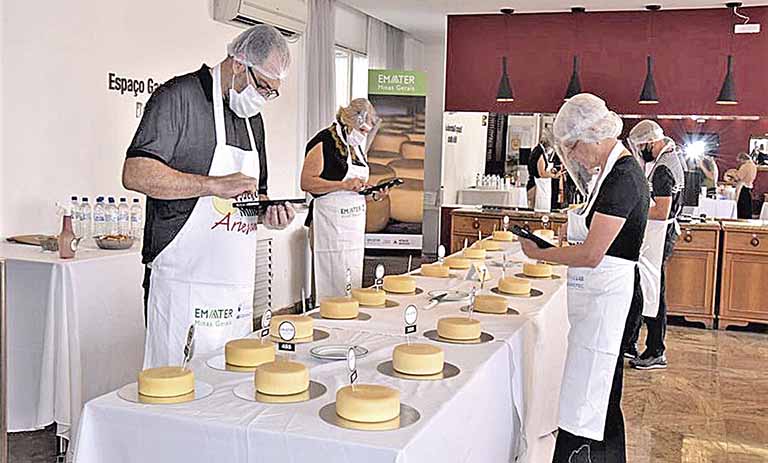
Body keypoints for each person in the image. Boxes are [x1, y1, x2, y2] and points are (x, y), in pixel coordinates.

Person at [122, 25, 296, 368]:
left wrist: (268, 214)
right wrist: (212, 184)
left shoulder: (252, 121)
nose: (263, 98)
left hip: (236, 286)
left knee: (230, 389)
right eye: (262, 87)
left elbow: (252, 198)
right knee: (175, 388)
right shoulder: (178, 98)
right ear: (237, 63)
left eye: (271, 93)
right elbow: (135, 173)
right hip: (184, 285)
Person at [518, 94, 649, 462]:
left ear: (593, 135)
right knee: (591, 394)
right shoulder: (609, 174)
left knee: (596, 395)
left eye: (574, 147)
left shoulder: (623, 178)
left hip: (611, 299)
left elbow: (593, 254)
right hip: (598, 298)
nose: (573, 156)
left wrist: (542, 254)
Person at [300, 99, 385, 301]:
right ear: (350, 122)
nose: (364, 135)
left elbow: (355, 183)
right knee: (331, 278)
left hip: (352, 226)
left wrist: (372, 191)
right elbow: (306, 182)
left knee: (351, 274)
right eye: (362, 130)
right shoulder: (324, 141)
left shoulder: (355, 147)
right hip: (329, 224)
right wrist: (343, 185)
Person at [624, 120, 685, 370]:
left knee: (652, 291)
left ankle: (655, 349)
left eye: (641, 147)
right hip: (660, 234)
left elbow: (661, 210)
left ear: (650, 142)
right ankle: (630, 342)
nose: (641, 152)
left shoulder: (663, 168)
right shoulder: (667, 160)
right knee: (644, 288)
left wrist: (633, 209)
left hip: (661, 234)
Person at [526, 130, 562, 211]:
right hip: (538, 187)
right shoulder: (538, 152)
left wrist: (552, 171)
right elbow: (541, 173)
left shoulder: (540, 151)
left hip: (543, 186)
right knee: (540, 210)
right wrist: (554, 175)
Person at [728, 152, 757, 219]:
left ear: (742, 159)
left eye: (740, 160)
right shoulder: (753, 165)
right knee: (747, 205)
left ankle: (741, 219)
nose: (740, 162)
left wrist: (732, 174)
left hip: (743, 187)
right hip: (749, 187)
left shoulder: (745, 166)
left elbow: (739, 177)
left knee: (742, 206)